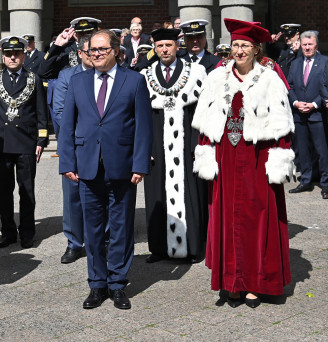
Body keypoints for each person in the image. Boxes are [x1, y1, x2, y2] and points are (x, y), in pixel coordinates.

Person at [192, 18, 294, 308]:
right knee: (227, 219)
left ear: (256, 49)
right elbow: (205, 122)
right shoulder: (216, 78)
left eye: (245, 46)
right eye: (235, 45)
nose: (238, 50)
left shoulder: (270, 78)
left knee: (256, 220)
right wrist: (206, 152)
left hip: (256, 158)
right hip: (225, 158)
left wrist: (278, 159)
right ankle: (231, 282)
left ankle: (253, 282)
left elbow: (283, 125)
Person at [58, 29, 152, 310]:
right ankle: (97, 284)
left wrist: (140, 163)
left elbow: (143, 127)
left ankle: (118, 284)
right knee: (94, 230)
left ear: (115, 50)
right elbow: (67, 127)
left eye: (101, 49)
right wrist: (67, 162)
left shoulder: (134, 81)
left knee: (122, 229)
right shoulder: (78, 82)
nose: (95, 54)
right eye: (91, 50)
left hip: (122, 167)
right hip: (87, 167)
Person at [0, 36, 48, 249]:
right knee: (4, 191)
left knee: (27, 190)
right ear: (3, 57)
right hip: (0, 143)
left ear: (23, 55)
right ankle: (8, 233)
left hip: (26, 141)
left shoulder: (34, 78)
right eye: (9, 54)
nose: (13, 57)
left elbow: (41, 111)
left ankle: (28, 233)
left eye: (17, 54)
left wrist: (42, 139)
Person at [140, 28, 208, 264]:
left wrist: (196, 146)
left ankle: (192, 247)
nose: (164, 50)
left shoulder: (196, 73)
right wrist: (145, 150)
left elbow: (203, 112)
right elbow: (141, 117)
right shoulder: (145, 75)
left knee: (192, 194)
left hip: (187, 143)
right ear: (154, 48)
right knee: (157, 195)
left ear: (177, 46)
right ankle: (159, 249)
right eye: (160, 46)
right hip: (157, 146)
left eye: (168, 45)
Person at [52, 34, 93, 264]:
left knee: (101, 195)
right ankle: (74, 243)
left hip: (101, 146)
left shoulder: (107, 74)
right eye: (90, 51)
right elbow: (59, 113)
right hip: (76, 144)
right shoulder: (67, 76)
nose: (95, 55)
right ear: (80, 53)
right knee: (73, 197)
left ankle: (101, 240)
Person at [39, 17, 101, 138]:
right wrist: (57, 46)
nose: (84, 36)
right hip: (72, 111)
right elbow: (43, 72)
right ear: (75, 35)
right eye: (81, 33)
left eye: (88, 33)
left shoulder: (102, 50)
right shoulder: (66, 49)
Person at [287, 31, 328, 199]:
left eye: (310, 44)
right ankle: (306, 181)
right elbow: (289, 85)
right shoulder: (296, 63)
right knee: (302, 150)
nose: (307, 47)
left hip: (318, 113)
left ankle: (325, 183)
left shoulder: (325, 62)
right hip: (299, 115)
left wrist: (314, 104)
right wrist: (296, 103)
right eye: (304, 44)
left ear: (316, 45)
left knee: (322, 151)